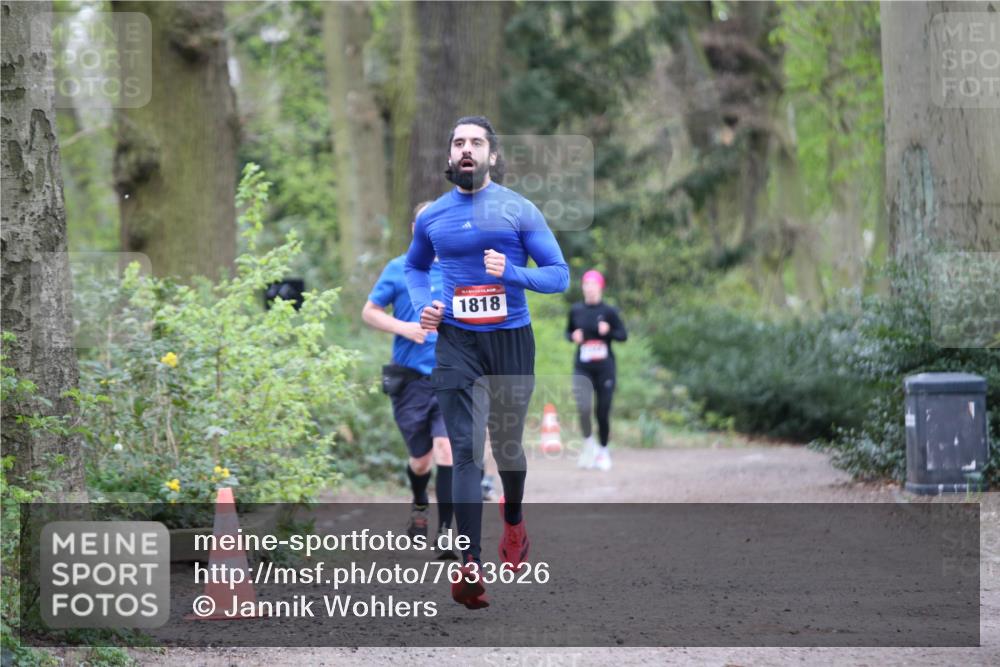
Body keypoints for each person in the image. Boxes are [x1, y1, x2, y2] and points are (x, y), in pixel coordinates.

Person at [405, 115, 569, 609]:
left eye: (476, 142)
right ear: (451, 156)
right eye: (458, 142)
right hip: (456, 341)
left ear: (493, 156)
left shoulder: (519, 210)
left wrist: (513, 272)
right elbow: (414, 267)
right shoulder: (433, 216)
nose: (467, 149)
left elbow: (559, 276)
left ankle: (514, 521)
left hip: (510, 341)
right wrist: (423, 306)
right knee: (465, 450)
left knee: (507, 446)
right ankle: (468, 564)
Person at [362, 201, 456, 560]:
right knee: (421, 460)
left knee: (447, 449)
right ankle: (419, 504)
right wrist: (405, 328)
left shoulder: (455, 270)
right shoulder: (398, 268)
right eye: (424, 223)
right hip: (410, 381)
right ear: (415, 228)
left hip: (449, 377)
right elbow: (369, 312)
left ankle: (447, 531)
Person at [567, 270, 627, 471]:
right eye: (586, 284)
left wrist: (608, 331)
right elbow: (568, 332)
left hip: (604, 368)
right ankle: (588, 446)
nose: (590, 288)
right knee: (583, 408)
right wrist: (572, 336)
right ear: (583, 287)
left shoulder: (609, 311)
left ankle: (603, 451)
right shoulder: (576, 310)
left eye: (593, 284)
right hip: (582, 366)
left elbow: (623, 335)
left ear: (600, 287)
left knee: (602, 411)